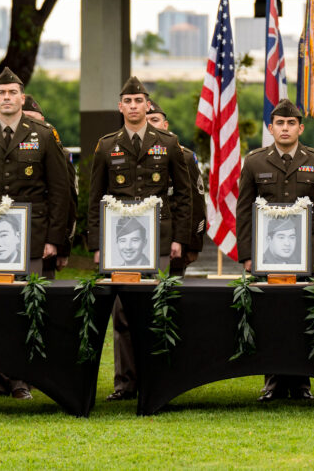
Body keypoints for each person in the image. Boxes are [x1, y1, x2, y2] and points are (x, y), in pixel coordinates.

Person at [0, 67, 71, 402]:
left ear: (21, 98)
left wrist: (54, 238)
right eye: (1, 93)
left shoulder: (44, 134)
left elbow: (59, 191)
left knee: (26, 308)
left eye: (12, 93)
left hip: (31, 235)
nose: (6, 98)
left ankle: (22, 379)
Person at [87, 76, 192, 402]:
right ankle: (125, 383)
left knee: (157, 309)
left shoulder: (168, 143)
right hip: (120, 245)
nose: (134, 107)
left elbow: (184, 196)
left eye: (139, 101)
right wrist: (97, 245)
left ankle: (158, 381)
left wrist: (179, 238)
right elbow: (95, 198)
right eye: (128, 101)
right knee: (122, 314)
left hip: (159, 240)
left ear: (148, 106)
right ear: (121, 107)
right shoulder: (106, 145)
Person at [237, 97, 314, 402]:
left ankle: (301, 382)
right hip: (267, 254)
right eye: (279, 123)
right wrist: (247, 254)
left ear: (300, 128)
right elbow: (244, 211)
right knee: (270, 316)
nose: (285, 128)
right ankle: (273, 382)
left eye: (290, 123)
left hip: (307, 252)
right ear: (271, 128)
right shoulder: (254, 161)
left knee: (303, 315)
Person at [145, 100, 206, 275]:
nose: (150, 125)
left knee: (171, 295)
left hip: (174, 242)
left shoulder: (184, 157)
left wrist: (193, 245)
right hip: (138, 241)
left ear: (165, 125)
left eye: (154, 120)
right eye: (146, 120)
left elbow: (197, 204)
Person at [21, 95, 76, 280]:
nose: (28, 124)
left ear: (43, 122)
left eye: (32, 119)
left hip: (44, 239)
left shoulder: (60, 153)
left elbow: (68, 201)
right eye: (23, 118)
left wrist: (63, 247)